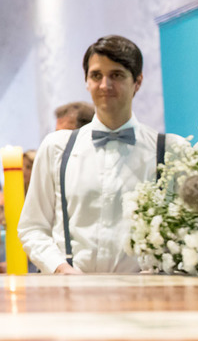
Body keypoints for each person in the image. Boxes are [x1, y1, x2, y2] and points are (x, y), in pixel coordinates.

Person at [18, 35, 184, 274]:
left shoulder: (169, 151)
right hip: (69, 289)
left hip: (143, 290)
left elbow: (185, 231)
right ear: (86, 81)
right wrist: (60, 268)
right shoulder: (56, 148)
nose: (105, 85)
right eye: (96, 75)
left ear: (137, 82)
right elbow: (32, 227)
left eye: (116, 75)